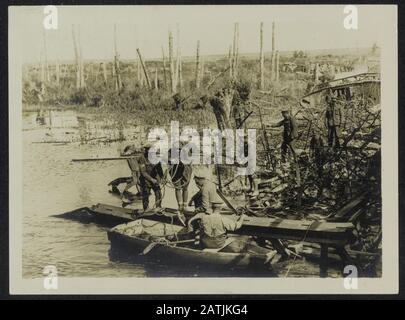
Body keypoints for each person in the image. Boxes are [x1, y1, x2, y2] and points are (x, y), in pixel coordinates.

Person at [138, 143, 164, 211]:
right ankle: (146, 209)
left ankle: (158, 207)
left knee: (158, 193)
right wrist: (151, 179)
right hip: (145, 180)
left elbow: (159, 169)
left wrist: (162, 178)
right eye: (148, 150)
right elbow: (143, 172)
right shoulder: (142, 158)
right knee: (146, 194)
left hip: (155, 179)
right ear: (146, 150)